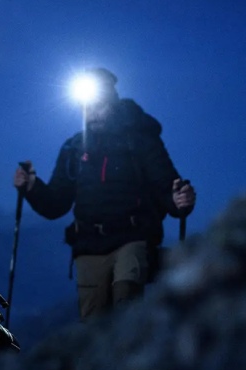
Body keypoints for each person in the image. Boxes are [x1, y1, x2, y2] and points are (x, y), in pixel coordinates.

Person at [14, 68, 196, 320]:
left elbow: (165, 184)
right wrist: (32, 187)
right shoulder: (74, 148)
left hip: (133, 238)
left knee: (126, 305)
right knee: (93, 321)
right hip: (89, 245)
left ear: (113, 103)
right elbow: (57, 203)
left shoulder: (140, 139)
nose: (92, 113)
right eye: (86, 107)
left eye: (98, 105)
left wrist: (178, 200)